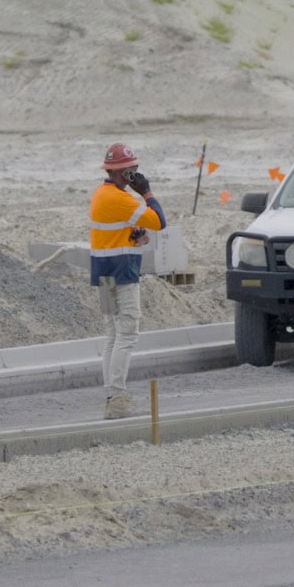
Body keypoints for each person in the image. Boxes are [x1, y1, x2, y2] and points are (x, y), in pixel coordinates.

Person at [90, 143, 166, 419]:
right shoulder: (122, 200)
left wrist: (133, 235)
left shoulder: (101, 194)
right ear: (123, 173)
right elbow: (159, 221)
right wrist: (147, 192)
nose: (136, 173)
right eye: (132, 170)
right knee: (127, 334)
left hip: (104, 273)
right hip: (122, 275)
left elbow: (117, 229)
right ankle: (118, 399)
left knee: (112, 334)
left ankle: (112, 396)